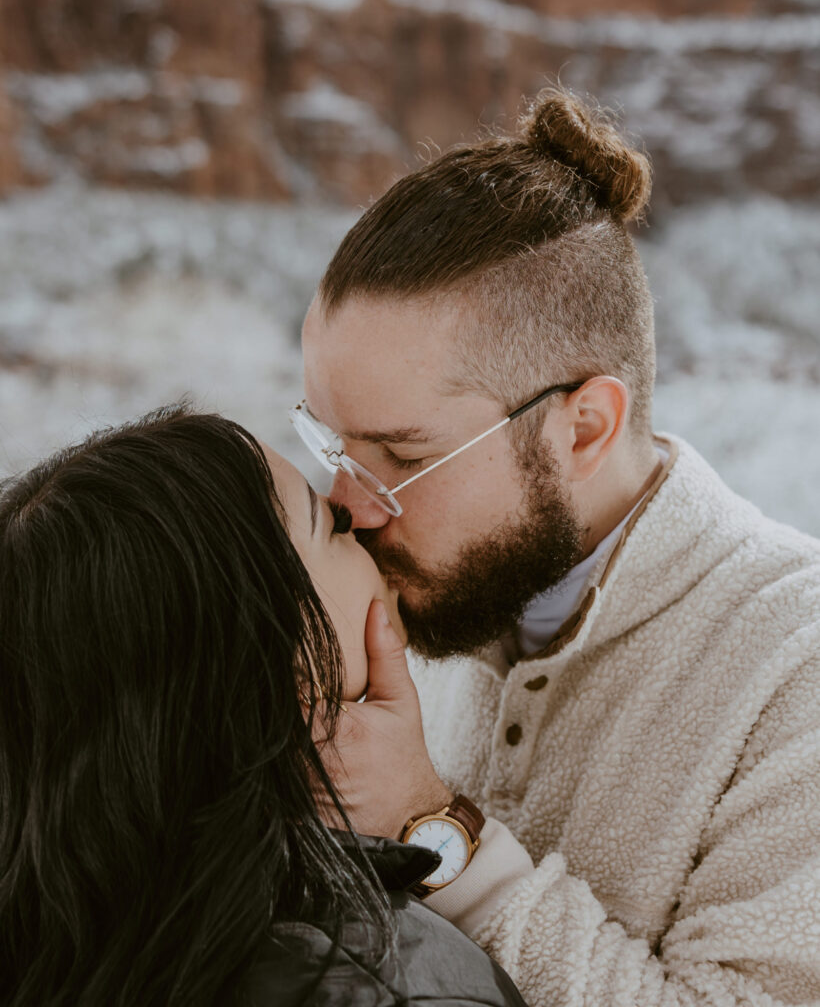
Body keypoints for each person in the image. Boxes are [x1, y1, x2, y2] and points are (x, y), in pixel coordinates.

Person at [292, 86, 820, 1006]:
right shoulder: (437, 589)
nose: (348, 508)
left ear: (583, 428)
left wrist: (433, 825)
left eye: (401, 455)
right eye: (331, 444)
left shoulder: (795, 666)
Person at [0, 406, 526, 1007]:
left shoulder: (63, 924)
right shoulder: (385, 983)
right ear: (265, 653)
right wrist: (428, 816)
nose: (369, 523)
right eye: (334, 523)